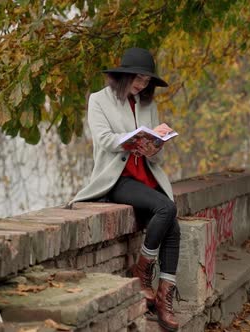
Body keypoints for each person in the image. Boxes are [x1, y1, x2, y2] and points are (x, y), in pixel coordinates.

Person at [66, 47, 180, 331]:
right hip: (117, 179)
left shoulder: (146, 104)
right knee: (166, 208)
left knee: (173, 226)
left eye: (146, 81)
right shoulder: (98, 100)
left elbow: (157, 151)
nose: (142, 86)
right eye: (138, 79)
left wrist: (153, 147)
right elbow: (104, 139)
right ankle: (142, 270)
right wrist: (129, 140)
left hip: (146, 175)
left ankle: (164, 295)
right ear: (123, 76)